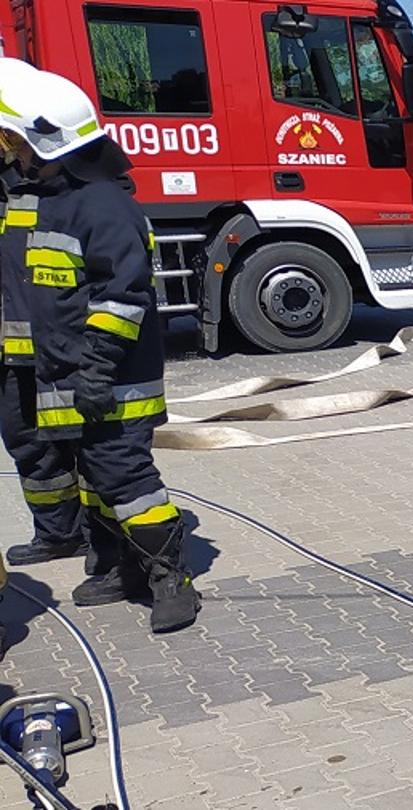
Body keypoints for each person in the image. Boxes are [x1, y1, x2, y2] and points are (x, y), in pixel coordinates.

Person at [0, 67, 200, 633]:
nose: (10, 151)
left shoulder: (104, 207)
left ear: (46, 143)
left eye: (14, 140)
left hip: (112, 378)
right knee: (93, 479)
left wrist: (95, 368)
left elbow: (124, 297)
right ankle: (123, 569)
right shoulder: (46, 199)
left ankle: (171, 577)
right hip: (67, 374)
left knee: (125, 479)